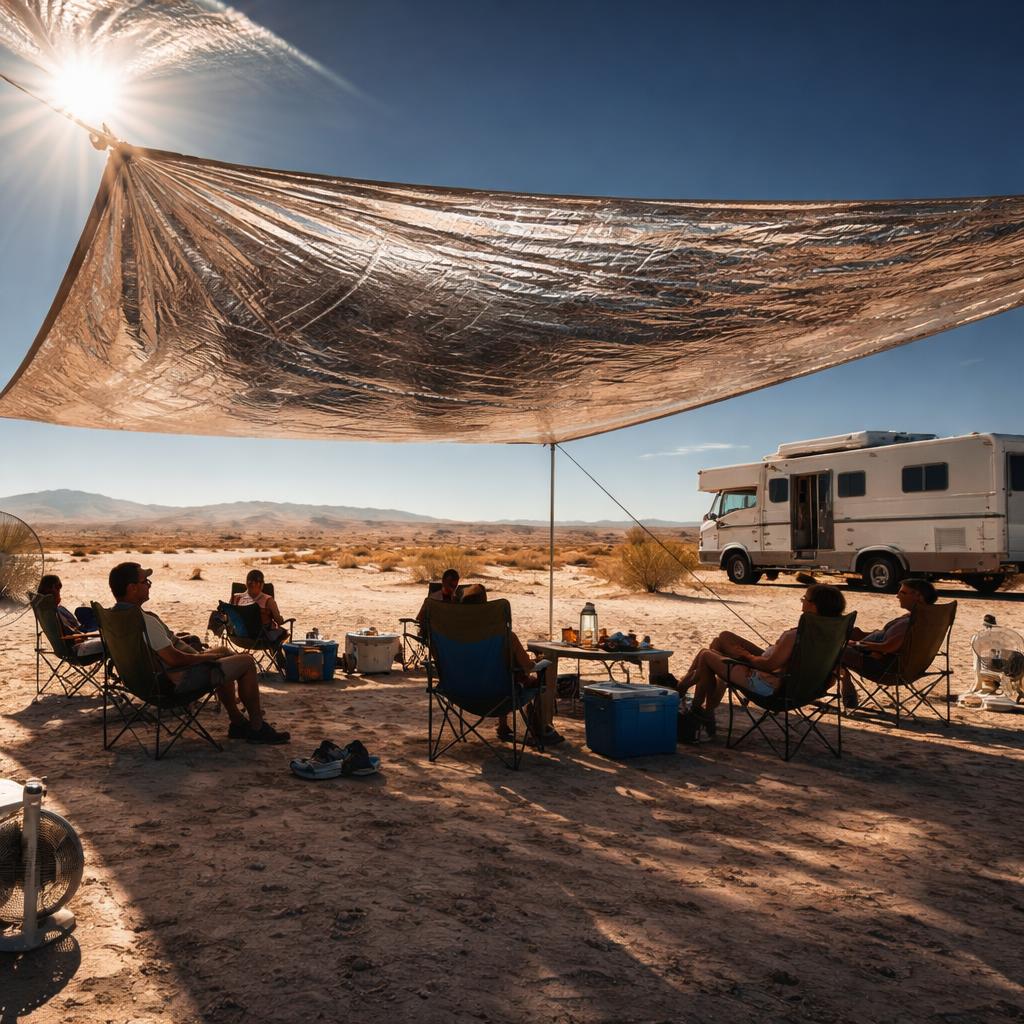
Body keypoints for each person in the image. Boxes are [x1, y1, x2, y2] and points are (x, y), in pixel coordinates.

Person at [107, 561, 289, 744]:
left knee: (225, 651)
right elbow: (175, 659)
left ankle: (237, 722)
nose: (148, 585)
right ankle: (257, 727)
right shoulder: (144, 622)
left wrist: (209, 656)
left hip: (143, 682)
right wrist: (206, 657)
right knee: (247, 662)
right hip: (176, 681)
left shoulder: (114, 618)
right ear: (132, 588)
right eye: (145, 582)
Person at [678, 583, 847, 737]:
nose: (802, 602)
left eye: (804, 598)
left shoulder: (795, 636)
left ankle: (696, 710)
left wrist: (747, 657)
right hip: (801, 688)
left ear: (813, 606)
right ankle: (687, 693)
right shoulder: (834, 636)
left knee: (706, 655)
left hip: (767, 684)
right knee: (723, 638)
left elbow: (768, 665)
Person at [456, 584, 562, 746]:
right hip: (500, 696)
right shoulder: (505, 637)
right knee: (538, 674)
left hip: (462, 693)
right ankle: (541, 728)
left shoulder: (454, 638)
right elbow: (527, 666)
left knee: (500, 672)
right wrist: (539, 661)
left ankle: (503, 726)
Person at [839, 578, 938, 702]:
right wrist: (863, 635)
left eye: (902, 593)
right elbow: (890, 641)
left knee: (832, 651)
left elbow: (888, 647)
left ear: (918, 596)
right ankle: (845, 678)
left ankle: (844, 682)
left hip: (887, 670)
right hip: (910, 669)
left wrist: (857, 644)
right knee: (845, 638)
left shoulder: (911, 623)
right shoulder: (925, 619)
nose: (897, 596)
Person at [231, 568, 290, 669]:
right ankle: (280, 659)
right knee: (281, 633)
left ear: (246, 583)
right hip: (259, 639)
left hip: (238, 637)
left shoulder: (235, 598)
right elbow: (279, 621)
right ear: (261, 584)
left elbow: (228, 617)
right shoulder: (268, 600)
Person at [37, 574, 103, 657]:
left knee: (80, 611)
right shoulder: (55, 613)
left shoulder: (47, 612)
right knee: (110, 644)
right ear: (53, 590)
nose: (59, 592)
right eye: (58, 588)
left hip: (73, 642)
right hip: (76, 649)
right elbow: (74, 636)